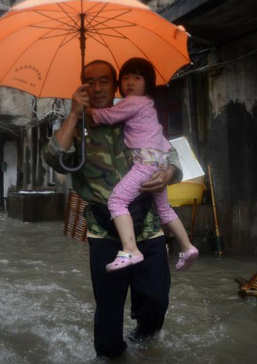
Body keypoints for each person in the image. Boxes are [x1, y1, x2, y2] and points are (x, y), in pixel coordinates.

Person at [44, 60, 183, 358]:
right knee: (107, 328)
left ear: (115, 84)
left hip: (147, 225)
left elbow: (170, 152)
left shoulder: (132, 113)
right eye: (89, 81)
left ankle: (142, 342)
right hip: (104, 231)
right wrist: (72, 115)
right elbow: (54, 158)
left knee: (157, 300)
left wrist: (169, 174)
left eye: (104, 81)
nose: (96, 88)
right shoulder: (78, 128)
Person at [85, 58, 199, 272]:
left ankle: (130, 249)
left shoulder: (133, 102)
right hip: (158, 160)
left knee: (117, 201)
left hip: (145, 163)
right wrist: (165, 167)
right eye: (126, 78)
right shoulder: (148, 108)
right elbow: (162, 141)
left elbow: (107, 116)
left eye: (137, 78)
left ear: (147, 83)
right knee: (164, 209)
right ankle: (187, 246)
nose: (129, 82)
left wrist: (87, 110)